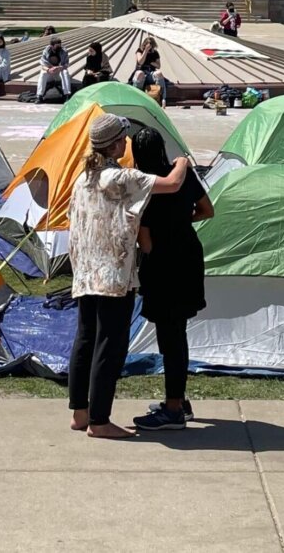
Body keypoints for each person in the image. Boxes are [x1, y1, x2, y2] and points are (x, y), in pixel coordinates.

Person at [67, 113, 190, 438]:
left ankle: (80, 413)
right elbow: (172, 184)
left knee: (85, 340)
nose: (127, 143)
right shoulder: (119, 178)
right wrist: (182, 161)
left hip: (85, 271)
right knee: (110, 345)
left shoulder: (83, 179)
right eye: (123, 138)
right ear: (114, 144)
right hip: (112, 274)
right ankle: (100, 420)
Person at [129, 126, 214, 431]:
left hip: (162, 264)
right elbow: (207, 210)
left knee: (170, 337)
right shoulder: (183, 176)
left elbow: (146, 243)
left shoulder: (145, 185)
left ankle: (174, 408)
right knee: (179, 332)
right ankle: (178, 399)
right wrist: (181, 221)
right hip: (189, 255)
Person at [131, 36, 167, 106]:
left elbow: (158, 66)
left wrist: (150, 62)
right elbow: (140, 62)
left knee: (159, 73)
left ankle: (163, 98)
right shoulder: (139, 51)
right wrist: (145, 51)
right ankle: (136, 98)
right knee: (139, 73)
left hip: (150, 72)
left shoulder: (155, 53)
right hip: (141, 72)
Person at [37, 36, 71, 102]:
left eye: (59, 45)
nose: (59, 47)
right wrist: (48, 70)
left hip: (59, 72)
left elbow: (66, 64)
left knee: (65, 72)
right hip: (50, 71)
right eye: (57, 46)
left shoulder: (64, 51)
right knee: (43, 73)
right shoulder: (46, 51)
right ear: (51, 46)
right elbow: (43, 65)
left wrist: (60, 67)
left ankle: (67, 95)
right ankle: (39, 96)